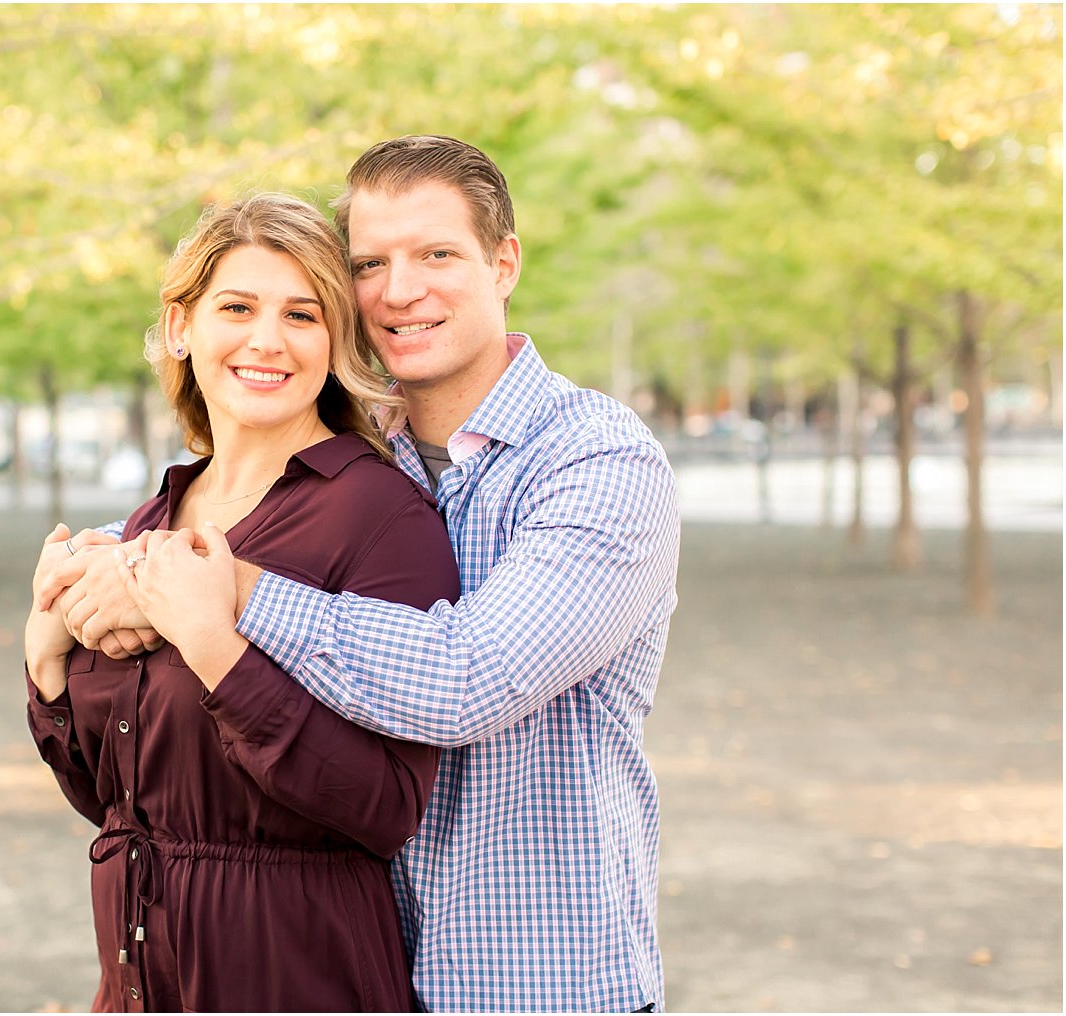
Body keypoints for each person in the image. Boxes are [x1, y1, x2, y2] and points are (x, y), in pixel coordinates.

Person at [38, 136, 682, 1012]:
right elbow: (233, 503)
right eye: (371, 262)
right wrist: (97, 575)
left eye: (437, 254)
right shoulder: (371, 453)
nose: (399, 289)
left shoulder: (595, 461)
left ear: (504, 264)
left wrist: (222, 589)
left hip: (531, 982)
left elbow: (466, 678)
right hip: (358, 959)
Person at [23, 192, 461, 1012]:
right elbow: (118, 806)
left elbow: (384, 809)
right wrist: (45, 662)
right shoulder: (153, 519)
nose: (267, 339)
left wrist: (214, 646)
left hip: (295, 972)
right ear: (183, 326)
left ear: (335, 342)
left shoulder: (379, 518)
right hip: (141, 983)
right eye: (237, 307)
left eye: (302, 314)